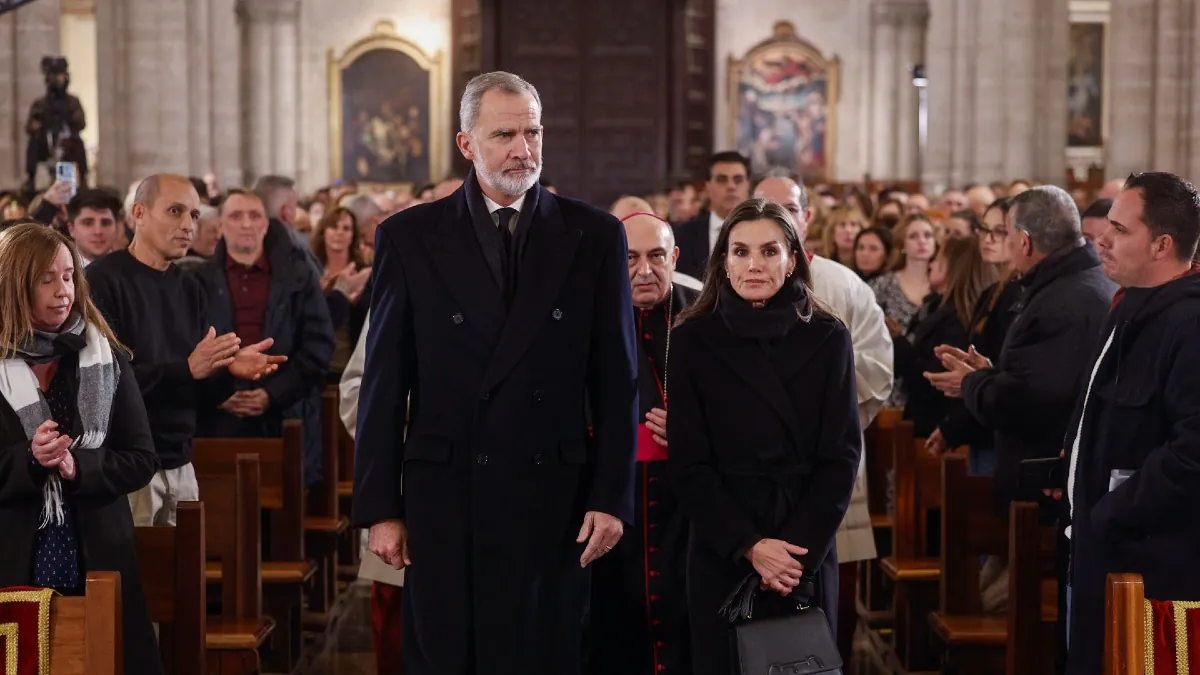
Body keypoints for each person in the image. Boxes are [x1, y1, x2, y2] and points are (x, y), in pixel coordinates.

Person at [352, 71, 638, 675]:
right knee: (451, 656)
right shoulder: (407, 237)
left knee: (546, 653)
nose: (523, 149)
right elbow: (384, 382)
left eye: (532, 132)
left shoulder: (594, 235)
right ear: (466, 144)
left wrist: (612, 496)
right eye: (504, 134)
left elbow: (617, 382)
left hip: (554, 497)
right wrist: (381, 507)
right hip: (447, 492)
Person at [667, 198, 861, 675]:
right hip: (724, 541)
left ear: (792, 259)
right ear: (723, 261)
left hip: (803, 545)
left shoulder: (828, 335)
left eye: (769, 251)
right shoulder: (693, 337)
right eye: (740, 252)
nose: (754, 264)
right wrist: (751, 546)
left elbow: (841, 457)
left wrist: (793, 552)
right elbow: (689, 462)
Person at [0, 223, 161, 674]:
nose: (62, 291)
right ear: (14, 284)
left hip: (98, 551)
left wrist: (80, 467)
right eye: (46, 279)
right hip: (12, 558)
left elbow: (141, 458)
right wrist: (29, 460)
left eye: (69, 275)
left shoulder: (104, 357)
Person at [87, 174, 284, 527]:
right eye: (175, 211)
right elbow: (108, 383)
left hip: (181, 460)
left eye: (194, 215)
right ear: (139, 214)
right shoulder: (103, 280)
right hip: (126, 463)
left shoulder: (190, 287)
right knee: (134, 578)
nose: (188, 225)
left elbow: (200, 389)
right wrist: (187, 369)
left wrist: (228, 370)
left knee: (187, 576)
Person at [1064, 173, 1200, 674]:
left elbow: (1193, 453)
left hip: (1155, 574)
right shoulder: (1128, 307)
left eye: (1120, 229)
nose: (1101, 238)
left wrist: (1108, 512)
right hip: (1104, 556)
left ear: (1162, 244)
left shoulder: (1189, 324)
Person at [755, 176, 893, 664]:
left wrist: (820, 397)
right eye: (764, 207)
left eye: (788, 207)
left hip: (828, 458)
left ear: (807, 218)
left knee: (831, 587)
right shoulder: (736, 276)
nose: (778, 216)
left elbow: (878, 369)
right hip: (751, 471)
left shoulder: (842, 284)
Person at [927, 186, 1115, 513]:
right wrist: (991, 372)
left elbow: (1025, 401)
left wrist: (971, 382)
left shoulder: (1062, 303)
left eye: (1010, 240)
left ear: (1025, 242)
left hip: (1044, 487)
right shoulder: (1082, 281)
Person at [587, 211, 696, 675]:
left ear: (674, 258)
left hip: (688, 502)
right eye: (629, 258)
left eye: (655, 256)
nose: (643, 270)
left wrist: (693, 431)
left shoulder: (705, 317)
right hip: (613, 496)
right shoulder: (586, 318)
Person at [192, 189, 334, 486]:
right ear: (220, 225)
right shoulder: (197, 281)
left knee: (283, 520)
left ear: (266, 226)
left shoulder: (298, 276)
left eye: (254, 216)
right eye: (236, 216)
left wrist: (272, 394)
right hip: (217, 420)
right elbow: (187, 348)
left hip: (284, 413)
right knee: (219, 518)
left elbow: (318, 346)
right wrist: (220, 393)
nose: (246, 224)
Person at [928, 198, 1022, 475]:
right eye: (984, 229)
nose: (988, 239)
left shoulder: (1020, 293)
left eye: (1000, 231)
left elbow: (1009, 367)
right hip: (982, 422)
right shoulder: (993, 291)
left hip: (1000, 428)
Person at [338, 312, 406, 675]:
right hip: (401, 485)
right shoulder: (399, 284)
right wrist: (398, 409)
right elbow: (352, 394)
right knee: (394, 622)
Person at [897, 235, 994, 438]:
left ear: (954, 268)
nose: (931, 264)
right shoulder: (934, 306)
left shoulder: (958, 320)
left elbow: (933, 380)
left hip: (941, 425)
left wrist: (898, 342)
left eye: (939, 260)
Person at [870, 213, 937, 407]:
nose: (922, 241)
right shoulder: (884, 284)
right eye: (913, 236)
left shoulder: (943, 286)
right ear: (902, 245)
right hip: (890, 378)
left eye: (927, 235)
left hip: (929, 379)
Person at [672, 152, 751, 279]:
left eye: (738, 180)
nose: (731, 186)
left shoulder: (763, 232)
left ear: (748, 186)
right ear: (708, 187)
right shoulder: (683, 235)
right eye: (722, 180)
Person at [65, 189, 122, 266]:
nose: (98, 232)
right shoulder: (56, 270)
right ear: (71, 229)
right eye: (88, 223)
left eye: (106, 223)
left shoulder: (131, 271)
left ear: (117, 228)